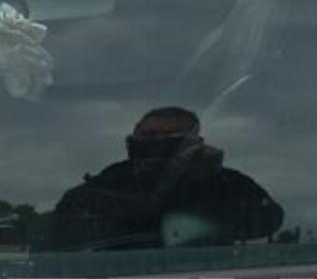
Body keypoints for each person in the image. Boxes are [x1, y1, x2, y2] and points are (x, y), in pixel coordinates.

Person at [52, 106, 283, 251]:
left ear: (195, 143)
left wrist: (209, 181)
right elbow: (64, 231)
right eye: (150, 136)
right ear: (132, 140)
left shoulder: (225, 181)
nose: (158, 143)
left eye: (172, 138)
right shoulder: (105, 185)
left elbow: (268, 221)